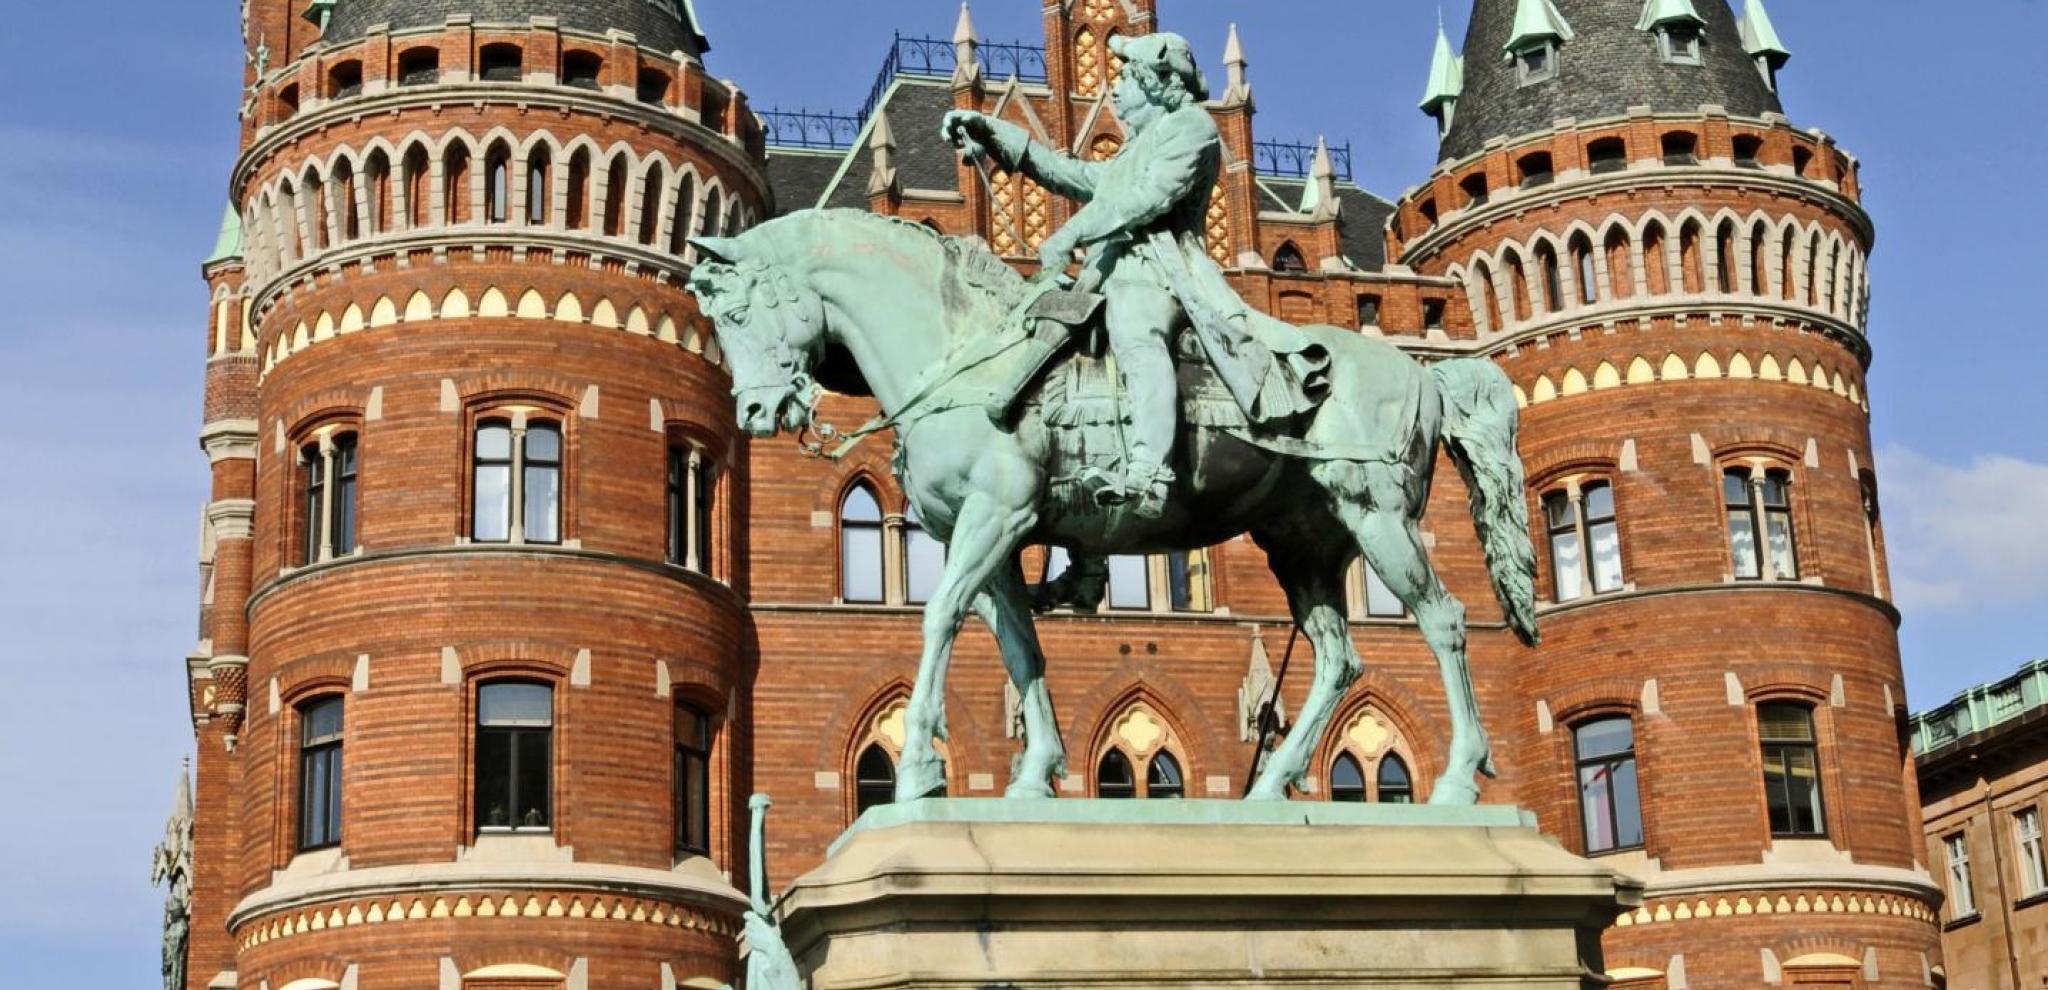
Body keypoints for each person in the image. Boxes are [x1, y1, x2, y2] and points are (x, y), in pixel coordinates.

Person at [942, 32, 1325, 519]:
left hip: (1161, 274)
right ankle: (1084, 550)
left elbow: (1145, 200)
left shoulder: (1193, 129)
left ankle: (1149, 473)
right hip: (1107, 277)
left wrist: (1068, 233)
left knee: (1135, 329)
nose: (1116, 90)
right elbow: (1073, 175)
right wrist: (993, 133)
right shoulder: (1135, 149)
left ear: (1156, 84)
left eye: (1126, 79)